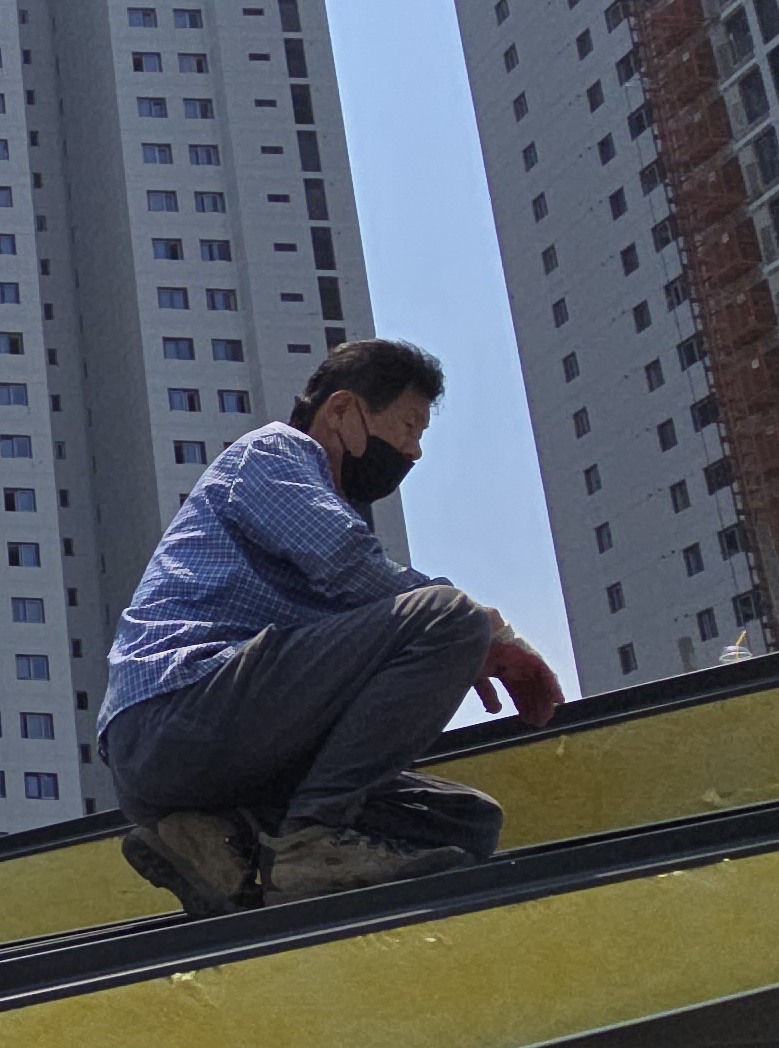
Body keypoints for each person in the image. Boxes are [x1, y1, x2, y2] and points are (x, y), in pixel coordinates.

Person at [98, 339, 565, 915]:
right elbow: (351, 567)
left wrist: (462, 645)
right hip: (174, 714)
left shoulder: (325, 514)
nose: (414, 451)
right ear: (343, 409)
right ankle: (313, 843)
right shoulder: (274, 453)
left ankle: (217, 838)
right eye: (409, 426)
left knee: (464, 822)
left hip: (223, 745)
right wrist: (486, 633)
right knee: (450, 615)